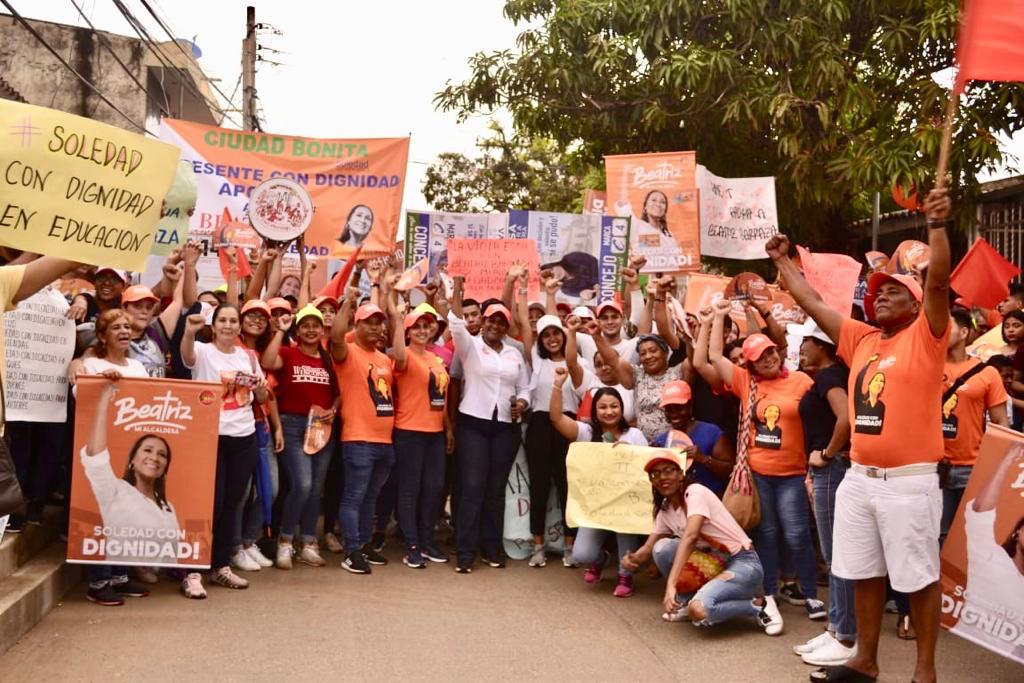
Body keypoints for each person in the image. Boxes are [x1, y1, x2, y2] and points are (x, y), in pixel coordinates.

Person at [765, 187, 952, 683]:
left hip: (909, 482)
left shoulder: (927, 335)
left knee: (918, 578)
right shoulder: (861, 338)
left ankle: (925, 672)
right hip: (860, 478)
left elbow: (938, 285)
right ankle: (865, 661)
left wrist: (936, 227)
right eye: (878, 290)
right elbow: (809, 301)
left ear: (915, 305)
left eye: (895, 290)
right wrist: (784, 261)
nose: (882, 293)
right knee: (863, 570)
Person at [698, 301, 822, 630]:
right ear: (750, 366)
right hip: (758, 474)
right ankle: (768, 593)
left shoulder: (801, 382)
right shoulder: (747, 384)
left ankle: (810, 593)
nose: (768, 360)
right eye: (759, 359)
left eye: (770, 353)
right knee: (766, 533)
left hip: (792, 474)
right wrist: (720, 316)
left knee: (796, 534)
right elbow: (713, 358)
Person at [622, 450, 780, 634]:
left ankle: (759, 605)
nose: (662, 477)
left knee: (700, 610)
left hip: (742, 562)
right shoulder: (665, 509)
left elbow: (690, 537)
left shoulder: (695, 492)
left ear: (681, 474)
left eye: (668, 471)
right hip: (712, 563)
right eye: (655, 474)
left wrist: (671, 585)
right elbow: (648, 549)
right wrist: (633, 559)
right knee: (661, 548)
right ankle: (687, 601)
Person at [182, 305, 269, 597]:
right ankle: (192, 570)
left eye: (233, 321)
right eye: (223, 320)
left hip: (243, 436)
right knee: (208, 505)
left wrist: (260, 388)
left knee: (232, 506)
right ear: (214, 324)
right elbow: (186, 357)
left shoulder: (249, 357)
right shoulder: (202, 350)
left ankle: (220, 566)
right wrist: (188, 331)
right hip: (210, 436)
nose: (229, 325)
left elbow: (263, 396)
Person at [448, 276, 530, 574]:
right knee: (472, 486)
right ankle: (465, 552)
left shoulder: (514, 352)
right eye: (491, 321)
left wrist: (522, 403)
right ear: (482, 322)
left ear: (507, 327)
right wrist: (458, 289)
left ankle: (491, 548)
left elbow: (525, 387)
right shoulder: (469, 347)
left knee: (495, 490)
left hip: (505, 427)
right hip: (473, 423)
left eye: (501, 322)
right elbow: (456, 323)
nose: (495, 325)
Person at [75, 310, 154, 605]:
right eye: (116, 327)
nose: (124, 331)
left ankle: (119, 577)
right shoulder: (91, 364)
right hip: (101, 450)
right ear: (103, 335)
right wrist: (99, 382)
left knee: (124, 515)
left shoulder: (137, 366)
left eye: (127, 327)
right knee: (101, 515)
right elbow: (78, 397)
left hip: (130, 449)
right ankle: (98, 582)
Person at [790, 319, 857, 667]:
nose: (802, 348)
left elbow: (846, 418)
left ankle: (845, 635)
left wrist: (827, 454)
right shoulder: (829, 376)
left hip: (832, 469)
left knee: (836, 556)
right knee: (834, 555)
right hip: (826, 471)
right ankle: (835, 628)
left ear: (824, 346)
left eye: (807, 342)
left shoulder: (831, 377)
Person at [549, 368, 646, 597]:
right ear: (595, 410)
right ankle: (601, 559)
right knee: (581, 554)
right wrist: (557, 385)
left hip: (626, 508)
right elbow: (555, 418)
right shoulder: (586, 432)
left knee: (626, 540)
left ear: (622, 409)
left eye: (614, 406)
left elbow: (648, 470)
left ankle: (625, 575)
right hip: (596, 508)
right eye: (603, 407)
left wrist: (631, 453)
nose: (609, 411)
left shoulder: (634, 436)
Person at [262, 304, 339, 569]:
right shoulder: (288, 352)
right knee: (302, 484)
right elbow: (267, 362)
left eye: (315, 325)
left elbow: (337, 393)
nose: (310, 330)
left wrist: (334, 410)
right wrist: (281, 332)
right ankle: (285, 541)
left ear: (321, 329)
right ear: (298, 329)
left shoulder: (327, 359)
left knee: (316, 489)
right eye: (304, 325)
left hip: (321, 427)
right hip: (292, 425)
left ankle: (308, 542)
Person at [330, 285, 397, 575]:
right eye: (368, 322)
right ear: (356, 325)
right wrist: (348, 303)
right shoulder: (347, 352)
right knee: (354, 497)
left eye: (378, 322)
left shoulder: (384, 359)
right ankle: (351, 550)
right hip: (358, 439)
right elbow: (334, 336)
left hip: (384, 441)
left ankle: (365, 544)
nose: (375, 327)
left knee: (371, 497)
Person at [940, 309, 1009, 544]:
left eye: (947, 326)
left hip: (972, 468)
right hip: (933, 467)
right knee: (938, 534)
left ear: (964, 332)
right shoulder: (928, 367)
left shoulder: (988, 372)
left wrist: (992, 468)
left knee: (969, 536)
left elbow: (1001, 423)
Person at [392, 305, 453, 568]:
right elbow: (398, 356)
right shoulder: (403, 356)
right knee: (409, 490)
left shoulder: (437, 360)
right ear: (407, 332)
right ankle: (412, 544)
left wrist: (448, 428)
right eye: (416, 326)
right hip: (409, 431)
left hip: (435, 433)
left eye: (426, 326)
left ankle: (427, 541)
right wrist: (396, 317)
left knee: (434, 489)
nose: (422, 330)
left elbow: (442, 398)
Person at [950, 445, 1024, 658]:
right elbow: (980, 511)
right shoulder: (990, 557)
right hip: (967, 652)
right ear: (1016, 533)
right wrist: (1009, 456)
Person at [523, 314, 579, 568]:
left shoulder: (578, 364)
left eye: (557, 333)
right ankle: (538, 546)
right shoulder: (536, 360)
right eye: (546, 335)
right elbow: (525, 325)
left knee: (567, 487)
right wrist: (524, 288)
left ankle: (569, 547)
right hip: (539, 426)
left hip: (568, 426)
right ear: (540, 340)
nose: (552, 339)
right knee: (540, 486)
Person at [650, 380, 734, 496]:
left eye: (679, 408)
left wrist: (704, 459)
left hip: (711, 502)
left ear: (690, 405)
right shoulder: (661, 441)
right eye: (669, 409)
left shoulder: (711, 432)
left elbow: (730, 471)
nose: (674, 414)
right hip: (677, 507)